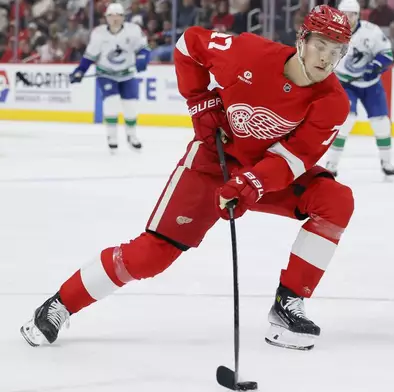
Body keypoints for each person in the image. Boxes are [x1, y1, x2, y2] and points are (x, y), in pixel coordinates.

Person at [21, 5, 353, 351]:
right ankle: (61, 303)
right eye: (320, 45)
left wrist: (251, 183)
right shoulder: (250, 53)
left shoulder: (332, 102)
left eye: (337, 51)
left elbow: (292, 159)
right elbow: (188, 45)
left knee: (335, 200)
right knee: (152, 256)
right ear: (302, 40)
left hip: (263, 175)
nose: (326, 59)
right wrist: (199, 101)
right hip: (213, 162)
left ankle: (288, 306)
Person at [326, 0, 394, 178]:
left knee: (381, 123)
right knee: (346, 120)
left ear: (358, 15)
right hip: (345, 84)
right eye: (345, 15)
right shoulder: (330, 33)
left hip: (371, 85)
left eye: (353, 14)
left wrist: (375, 66)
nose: (349, 18)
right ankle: (331, 164)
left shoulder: (371, 31)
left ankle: (386, 161)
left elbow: (386, 54)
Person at [70, 3, 150, 151]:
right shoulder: (99, 33)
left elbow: (144, 49)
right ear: (106, 17)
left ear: (123, 17)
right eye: (111, 16)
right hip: (106, 74)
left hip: (127, 74)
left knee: (130, 106)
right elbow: (90, 56)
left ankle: (131, 135)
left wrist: (142, 59)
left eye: (118, 15)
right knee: (111, 103)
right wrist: (80, 70)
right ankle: (112, 135)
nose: (115, 19)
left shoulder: (133, 30)